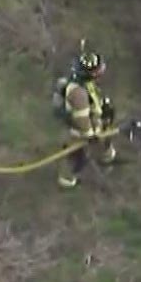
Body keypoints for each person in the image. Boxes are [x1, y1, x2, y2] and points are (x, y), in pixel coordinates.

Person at [53, 41, 119, 190]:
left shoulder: (86, 84)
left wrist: (103, 107)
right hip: (77, 132)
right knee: (75, 158)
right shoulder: (78, 93)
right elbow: (81, 119)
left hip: (94, 124)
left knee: (104, 144)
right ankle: (67, 183)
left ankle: (106, 160)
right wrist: (91, 134)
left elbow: (93, 98)